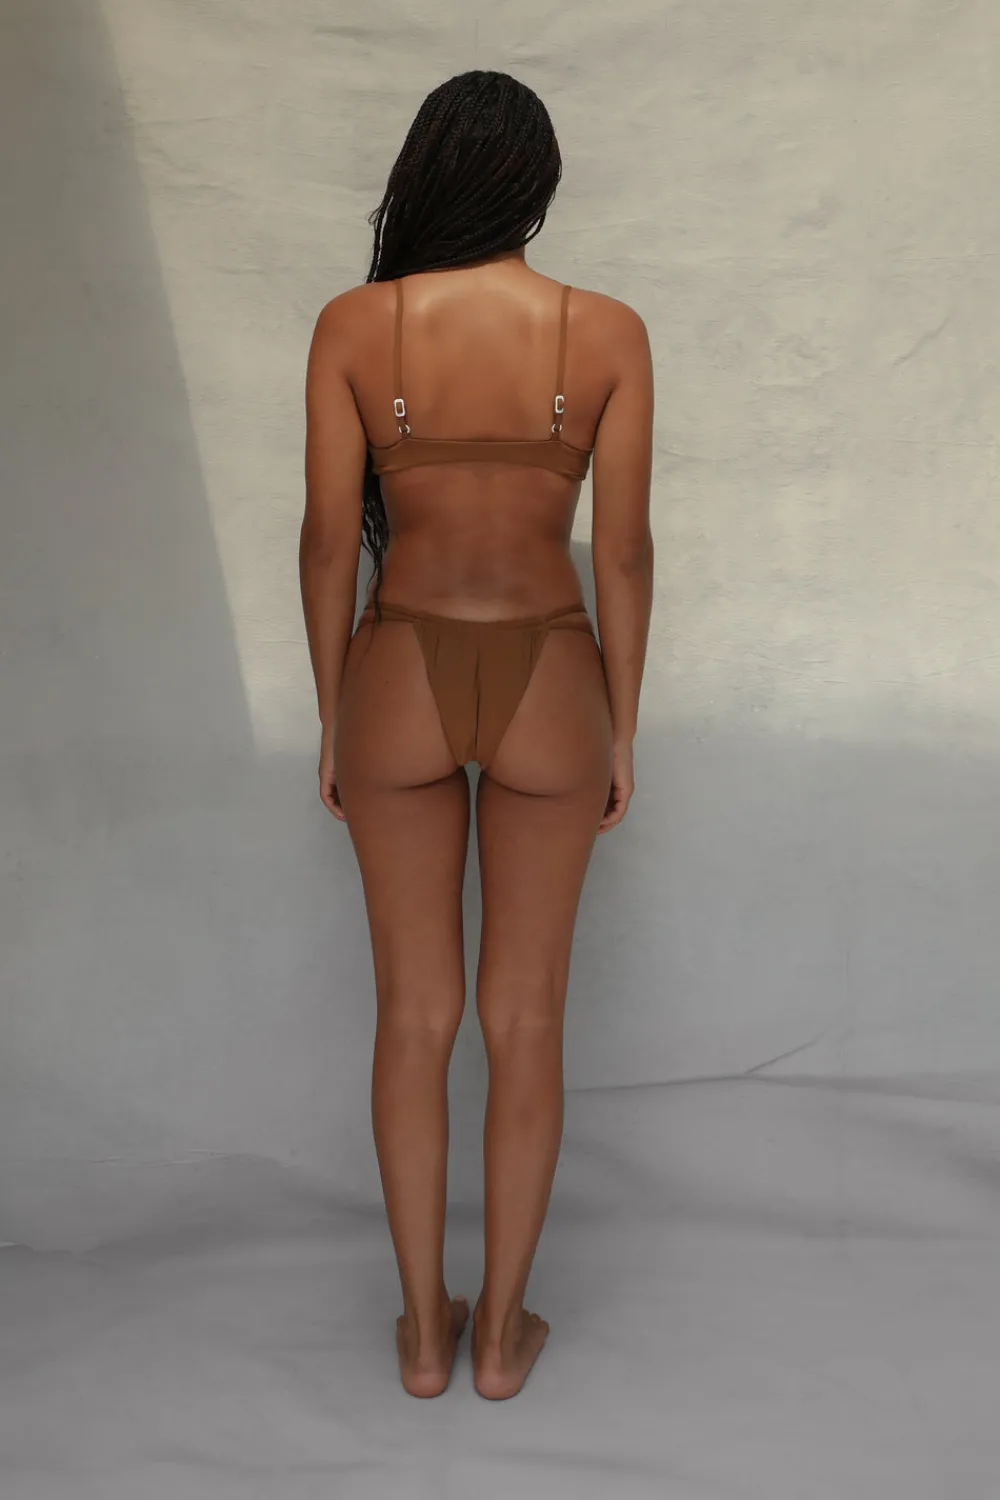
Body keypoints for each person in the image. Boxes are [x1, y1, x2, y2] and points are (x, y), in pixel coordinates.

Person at [299, 69, 654, 1401]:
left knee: (414, 1014)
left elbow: (328, 540)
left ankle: (420, 1338)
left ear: (427, 174)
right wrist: (624, 727)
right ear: (537, 185)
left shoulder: (355, 326)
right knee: (527, 1015)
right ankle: (501, 1338)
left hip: (396, 666)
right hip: (555, 672)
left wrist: (332, 714)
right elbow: (623, 550)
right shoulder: (606, 333)